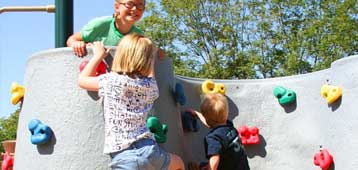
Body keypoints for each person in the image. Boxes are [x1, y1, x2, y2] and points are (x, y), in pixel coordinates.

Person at [78, 33, 184, 170]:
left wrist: (98, 55)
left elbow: (82, 80)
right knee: (179, 163)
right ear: (148, 61)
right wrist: (153, 54)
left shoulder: (111, 81)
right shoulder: (150, 87)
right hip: (150, 151)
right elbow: (151, 74)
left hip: (124, 156)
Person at [187, 93, 250, 170]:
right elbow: (212, 124)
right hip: (242, 167)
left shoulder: (214, 138)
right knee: (205, 165)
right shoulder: (229, 126)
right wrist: (197, 114)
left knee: (206, 165)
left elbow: (214, 161)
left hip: (229, 166)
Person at [67, 0, 149, 57]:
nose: (135, 8)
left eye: (140, 5)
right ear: (117, 7)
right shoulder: (101, 25)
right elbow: (72, 39)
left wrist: (157, 52)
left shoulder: (139, 36)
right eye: (129, 4)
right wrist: (76, 44)